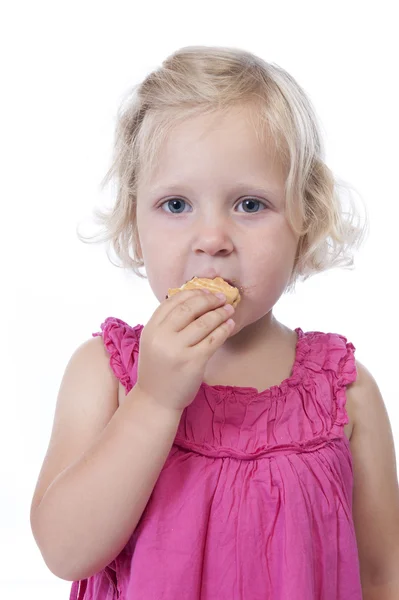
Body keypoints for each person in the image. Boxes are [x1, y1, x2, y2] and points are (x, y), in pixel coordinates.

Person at [30, 46, 399, 600]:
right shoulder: (106, 375)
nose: (212, 239)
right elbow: (64, 551)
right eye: (176, 205)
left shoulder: (346, 393)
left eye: (250, 205)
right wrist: (154, 399)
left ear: (307, 218)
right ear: (134, 223)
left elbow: (381, 574)